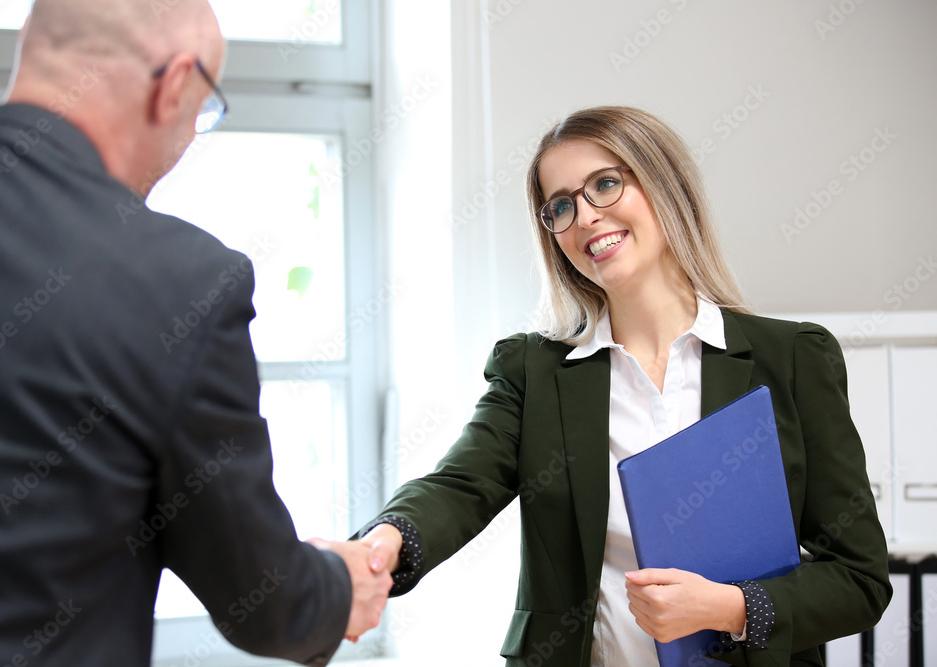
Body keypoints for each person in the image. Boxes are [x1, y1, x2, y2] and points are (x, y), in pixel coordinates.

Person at [0, 1, 390, 666]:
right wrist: (338, 583)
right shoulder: (178, 282)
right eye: (203, 111)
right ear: (175, 84)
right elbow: (264, 602)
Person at [356, 106, 891, 666]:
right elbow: (458, 485)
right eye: (561, 206)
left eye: (605, 185)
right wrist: (383, 543)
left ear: (664, 185)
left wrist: (731, 607)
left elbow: (859, 581)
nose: (584, 217)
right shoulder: (532, 372)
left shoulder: (793, 359)